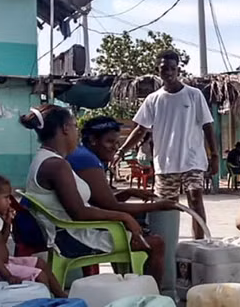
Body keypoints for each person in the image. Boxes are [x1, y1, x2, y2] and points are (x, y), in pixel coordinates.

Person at [19, 104, 164, 287]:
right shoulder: (56, 165)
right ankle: (152, 298)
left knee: (126, 230)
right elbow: (79, 213)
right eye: (74, 127)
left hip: (63, 232)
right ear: (65, 129)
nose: (77, 133)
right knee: (156, 243)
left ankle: (129, 288)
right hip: (69, 239)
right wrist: (124, 216)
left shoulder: (46, 159)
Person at [115, 50, 219, 239]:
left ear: (178, 69)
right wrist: (121, 152)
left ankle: (200, 243)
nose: (169, 72)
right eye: (164, 69)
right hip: (165, 163)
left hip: (192, 161)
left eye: (173, 68)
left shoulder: (194, 95)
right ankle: (167, 245)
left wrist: (214, 156)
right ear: (158, 70)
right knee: (164, 208)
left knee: (195, 199)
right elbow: (140, 130)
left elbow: (208, 127)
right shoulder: (153, 99)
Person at [68, 116, 179, 281]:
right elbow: (110, 205)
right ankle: (152, 294)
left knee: (130, 228)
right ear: (92, 140)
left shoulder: (86, 156)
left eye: (116, 142)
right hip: (74, 234)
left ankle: (127, 280)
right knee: (156, 243)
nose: (115, 147)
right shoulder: (85, 159)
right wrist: (158, 206)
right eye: (109, 142)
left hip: (76, 225)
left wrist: (127, 192)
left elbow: (97, 199)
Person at [0, 173, 66, 297]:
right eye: (6, 198)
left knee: (40, 263)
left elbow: (0, 244)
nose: (9, 201)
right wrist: (8, 276)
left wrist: (7, 223)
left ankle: (61, 295)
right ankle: (46, 304)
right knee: (38, 274)